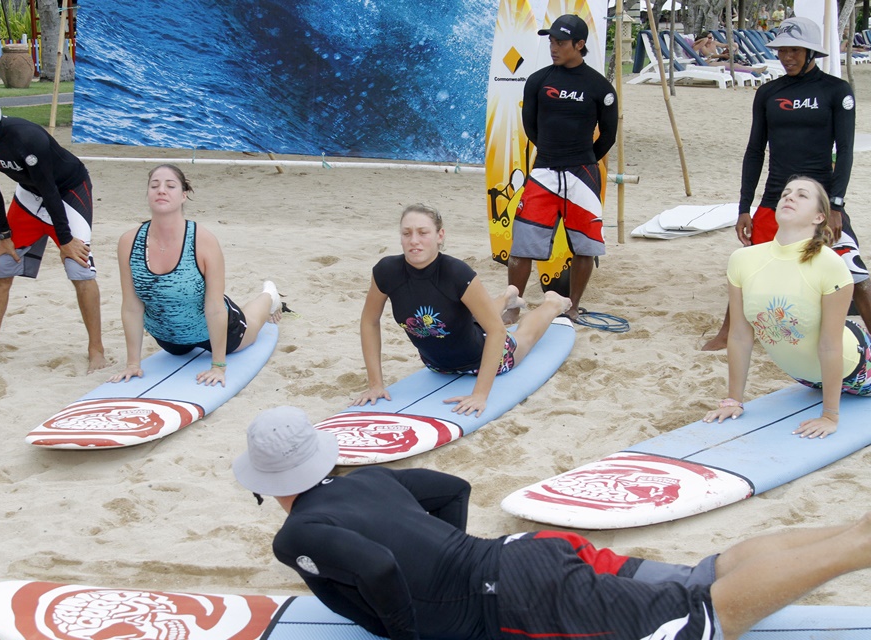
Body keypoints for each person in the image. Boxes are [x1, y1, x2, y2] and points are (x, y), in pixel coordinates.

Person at [233, 405, 871, 640]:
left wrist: (408, 630)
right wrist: (457, 553)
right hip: (524, 554)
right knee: (702, 577)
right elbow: (450, 488)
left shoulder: (296, 536)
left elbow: (374, 568)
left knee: (703, 619)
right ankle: (853, 531)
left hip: (519, 599)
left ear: (267, 485)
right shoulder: (367, 478)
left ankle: (859, 545)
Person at [701, 16, 871, 351]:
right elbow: (754, 151)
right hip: (775, 198)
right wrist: (744, 208)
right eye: (782, 51)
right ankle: (726, 333)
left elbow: (846, 151)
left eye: (794, 51)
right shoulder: (768, 92)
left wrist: (835, 206)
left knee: (857, 277)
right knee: (749, 270)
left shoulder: (836, 91)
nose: (787, 57)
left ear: (811, 53)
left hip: (821, 201)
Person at [0, 89, 107, 373]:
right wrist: (4, 235)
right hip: (30, 194)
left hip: (67, 191)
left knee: (79, 269)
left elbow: (50, 189)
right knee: (0, 267)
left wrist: (65, 241)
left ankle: (96, 349)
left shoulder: (26, 137)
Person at [352, 203, 571, 417]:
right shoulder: (386, 272)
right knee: (468, 318)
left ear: (440, 235)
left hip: (484, 356)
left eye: (423, 232)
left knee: (524, 336)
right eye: (406, 233)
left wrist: (480, 394)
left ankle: (553, 303)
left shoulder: (457, 273)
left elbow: (497, 331)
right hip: (436, 365)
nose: (414, 241)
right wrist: (375, 384)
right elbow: (369, 321)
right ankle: (507, 298)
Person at [703, 177, 871, 437]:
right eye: (786, 193)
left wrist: (830, 416)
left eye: (802, 195)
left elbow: (830, 344)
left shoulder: (830, 264)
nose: (789, 197)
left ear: (818, 217)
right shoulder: (743, 260)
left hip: (858, 365)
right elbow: (739, 334)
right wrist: (733, 400)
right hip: (806, 377)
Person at [109, 164, 282, 387]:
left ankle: (269, 295)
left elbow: (215, 308)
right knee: (178, 350)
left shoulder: (203, 241)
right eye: (154, 185)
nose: (161, 190)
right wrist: (133, 363)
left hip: (219, 331)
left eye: (170, 186)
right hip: (169, 340)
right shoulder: (128, 242)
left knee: (252, 324)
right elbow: (132, 307)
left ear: (183, 195)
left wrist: (218, 366)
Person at [506, 14, 618, 323]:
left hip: (582, 174)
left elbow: (608, 135)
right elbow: (531, 127)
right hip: (543, 172)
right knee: (521, 245)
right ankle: (512, 306)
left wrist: (581, 157)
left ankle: (572, 305)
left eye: (561, 42)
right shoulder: (539, 81)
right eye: (551, 41)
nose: (554, 47)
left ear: (579, 45)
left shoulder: (600, 86)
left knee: (585, 246)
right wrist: (554, 154)